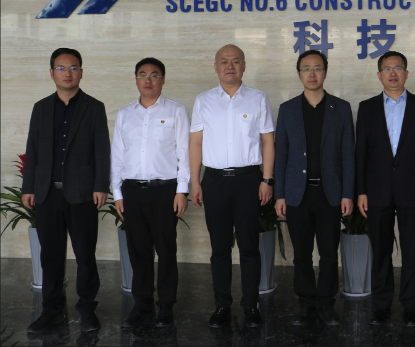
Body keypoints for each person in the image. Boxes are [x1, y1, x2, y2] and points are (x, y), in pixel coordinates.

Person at [22, 48, 110, 334]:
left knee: (85, 255)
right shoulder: (40, 108)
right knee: (51, 255)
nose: (67, 73)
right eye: (61, 68)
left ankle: (87, 309)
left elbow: (102, 150)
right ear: (52, 73)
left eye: (73, 68)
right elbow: (33, 149)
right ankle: (51, 310)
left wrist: (101, 186)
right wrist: (29, 187)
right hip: (47, 194)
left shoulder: (94, 107)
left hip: (82, 194)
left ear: (81, 72)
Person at [189, 45, 275, 329]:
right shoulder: (203, 100)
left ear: (244, 66)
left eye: (235, 61)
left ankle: (250, 305)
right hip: (214, 180)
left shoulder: (258, 98)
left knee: (249, 246)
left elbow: (268, 141)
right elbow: (196, 143)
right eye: (224, 61)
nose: (230, 66)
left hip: (248, 179)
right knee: (219, 248)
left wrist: (267, 180)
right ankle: (222, 305)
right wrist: (195, 181)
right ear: (216, 67)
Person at [355, 51, 415, 327]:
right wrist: (361, 191)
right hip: (376, 190)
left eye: (398, 68)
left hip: (413, 190)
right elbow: (361, 153)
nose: (393, 73)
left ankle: (410, 306)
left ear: (406, 74)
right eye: (387, 69)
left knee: (412, 251)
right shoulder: (366, 108)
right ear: (379, 75)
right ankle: (381, 306)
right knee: (380, 251)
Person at [274, 49, 355, 326]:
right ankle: (306, 303)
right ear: (299, 74)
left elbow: (348, 155)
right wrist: (280, 194)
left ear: (325, 72)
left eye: (317, 68)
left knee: (329, 254)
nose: (312, 73)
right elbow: (281, 155)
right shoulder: (287, 110)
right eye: (306, 68)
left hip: (329, 193)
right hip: (297, 193)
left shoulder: (341, 108)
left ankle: (326, 303)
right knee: (301, 255)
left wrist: (347, 193)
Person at [111, 57, 189, 329]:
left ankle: (166, 305)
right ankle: (142, 305)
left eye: (154, 75)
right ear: (136, 79)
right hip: (132, 192)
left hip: (164, 191)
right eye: (142, 74)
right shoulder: (125, 114)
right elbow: (117, 156)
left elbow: (184, 154)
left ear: (163, 79)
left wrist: (182, 191)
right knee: (138, 251)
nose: (148, 80)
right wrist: (117, 194)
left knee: (166, 250)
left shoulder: (177, 111)